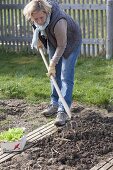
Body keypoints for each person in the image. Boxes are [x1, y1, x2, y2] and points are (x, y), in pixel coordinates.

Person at [23, 0, 82, 126]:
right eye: (36, 18)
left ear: (46, 12)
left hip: (70, 42)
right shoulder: (34, 17)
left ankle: (63, 110)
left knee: (65, 76)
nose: (39, 21)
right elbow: (36, 26)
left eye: (41, 17)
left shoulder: (58, 20)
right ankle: (54, 103)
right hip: (53, 40)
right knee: (53, 75)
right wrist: (38, 37)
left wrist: (52, 63)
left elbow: (62, 46)